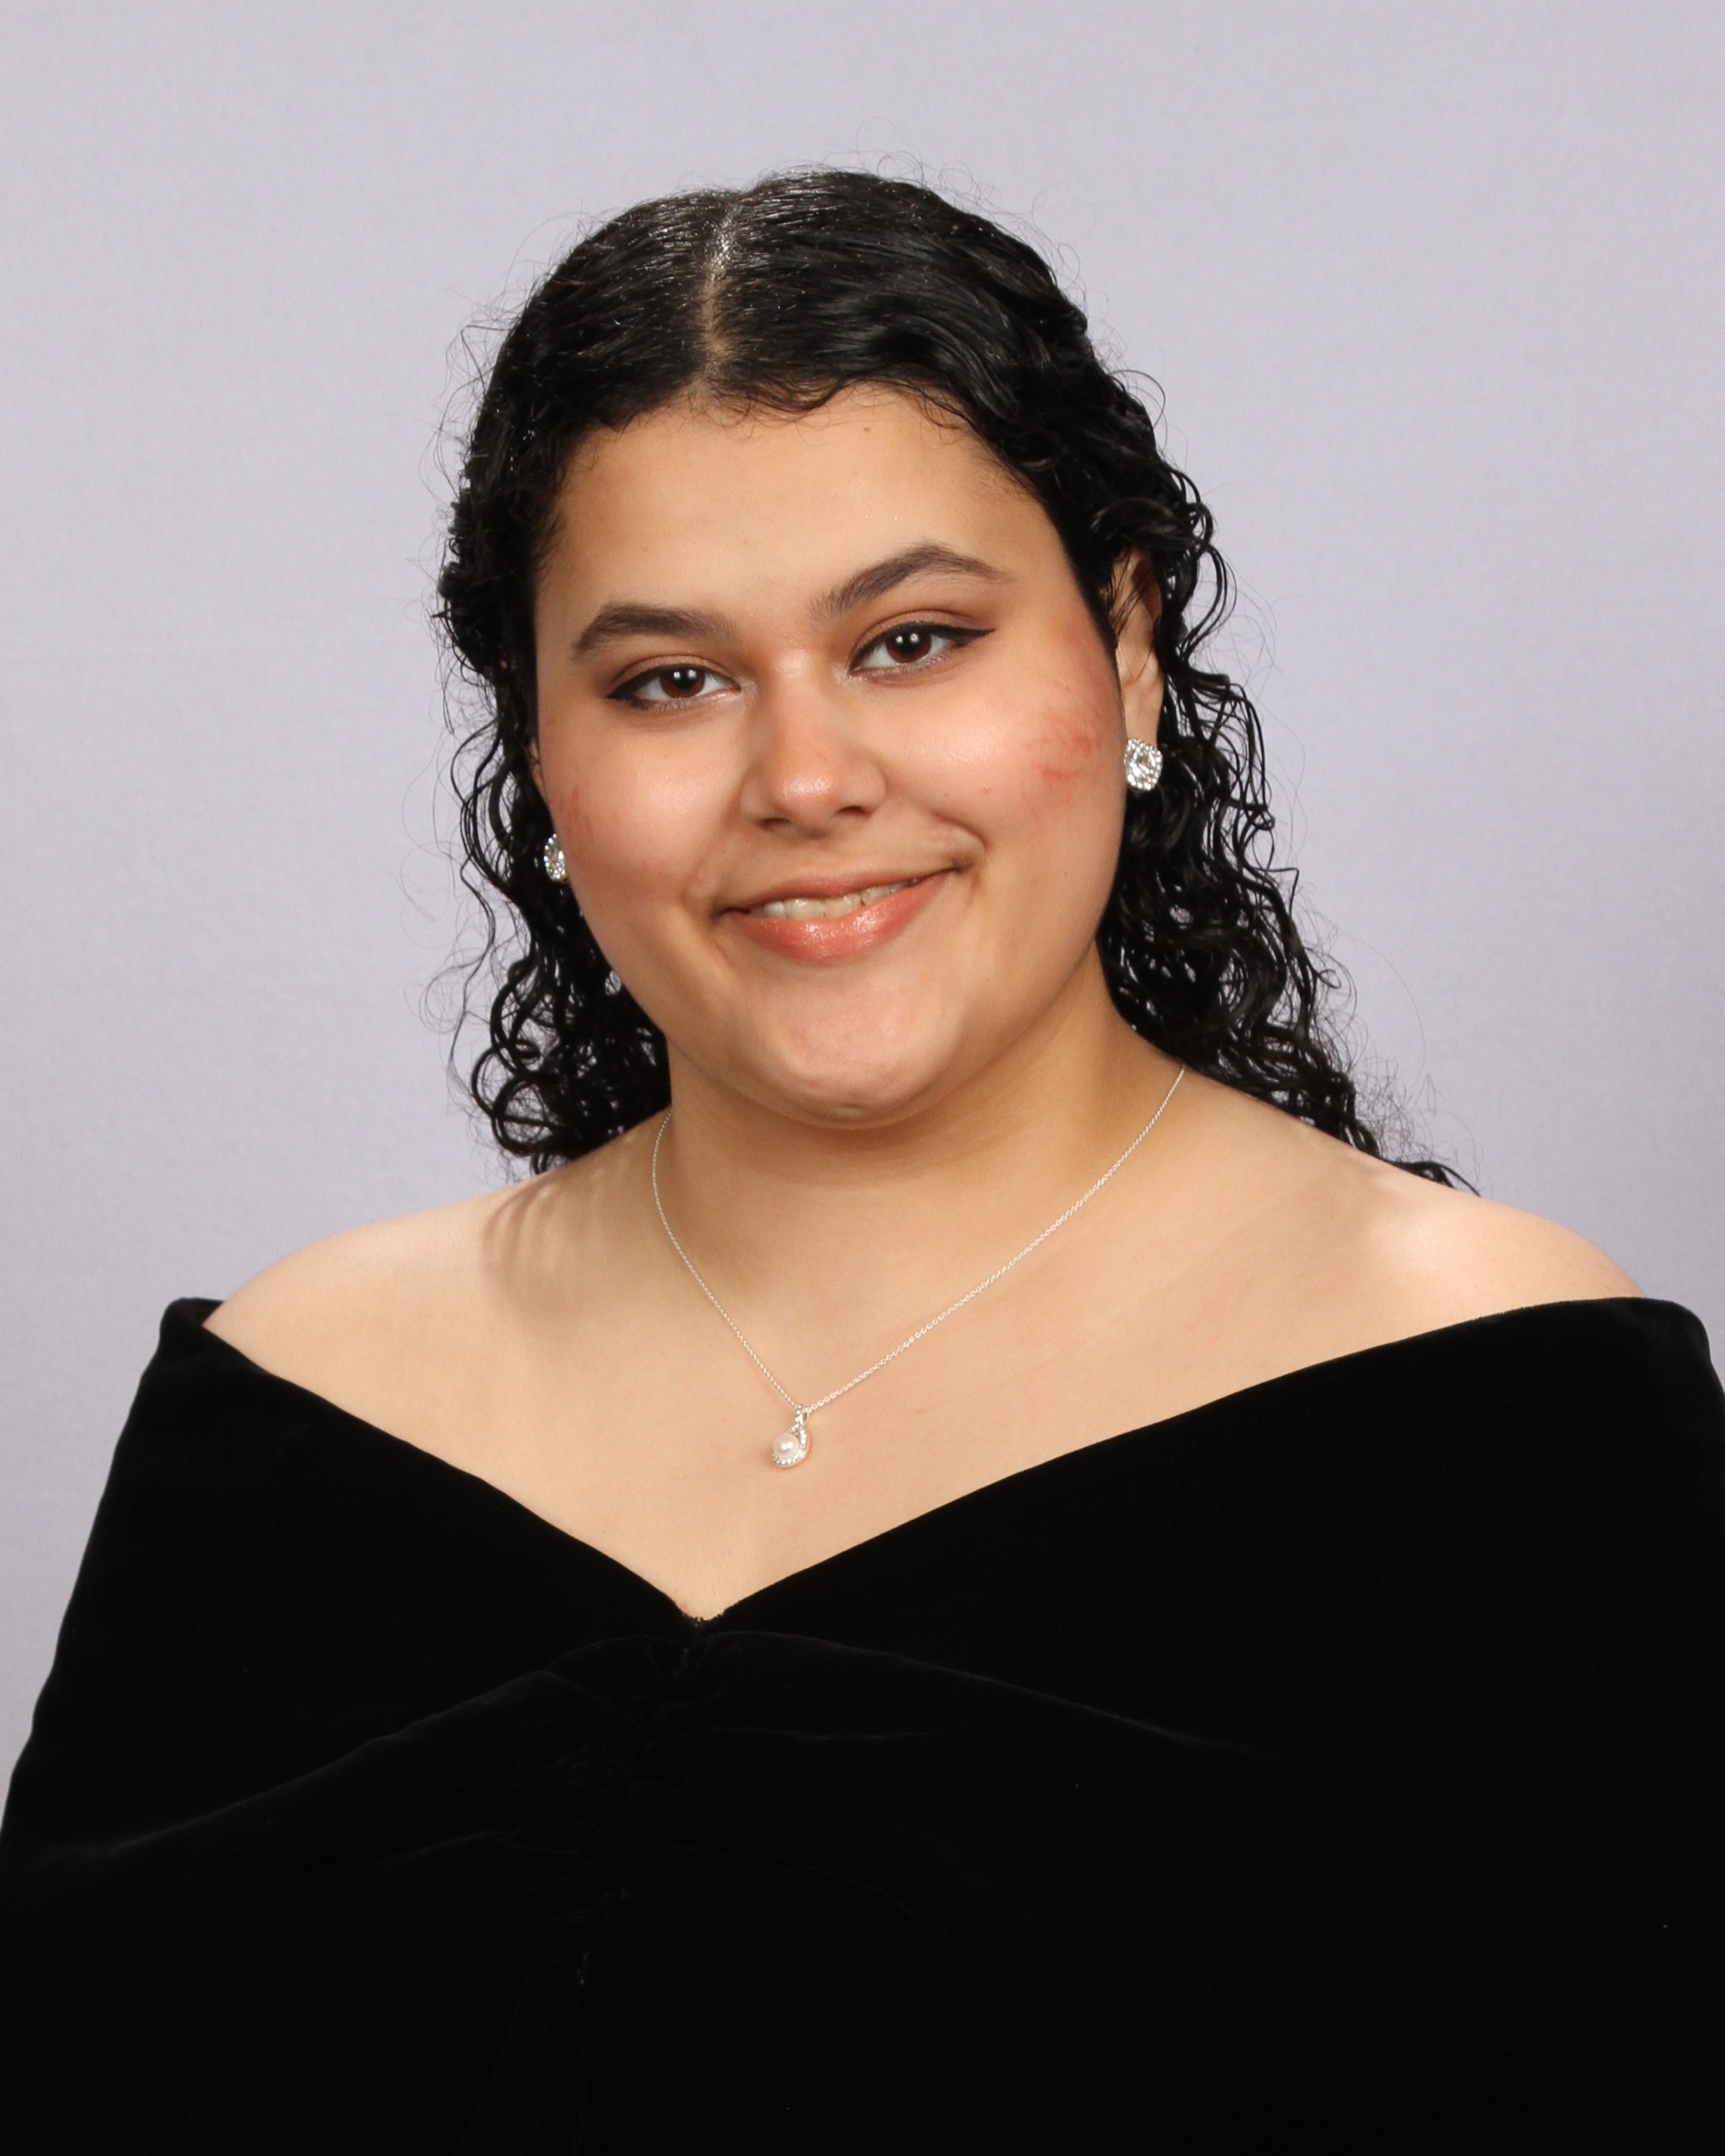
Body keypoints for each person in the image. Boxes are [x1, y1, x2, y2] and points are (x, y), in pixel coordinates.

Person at [2, 168, 1720, 2151]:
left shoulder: (1501, 1399)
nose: (807, 780)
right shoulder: (289, 1411)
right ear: (543, 757)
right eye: (671, 681)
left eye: (911, 641)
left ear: (1128, 650)